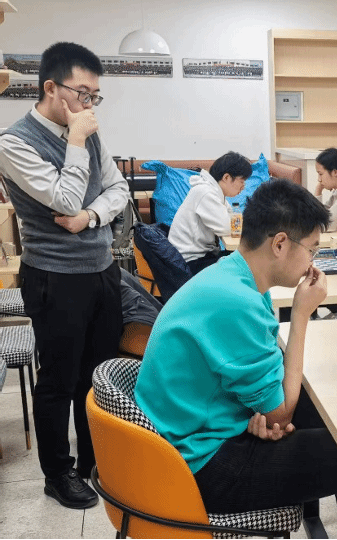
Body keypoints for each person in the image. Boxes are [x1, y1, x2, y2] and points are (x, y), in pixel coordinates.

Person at [134, 179, 337, 539]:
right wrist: (300, 315)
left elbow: (270, 393)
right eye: (312, 249)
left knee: (334, 420)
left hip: (198, 434)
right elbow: (281, 411)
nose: (313, 262)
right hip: (199, 467)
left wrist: (267, 415)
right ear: (280, 244)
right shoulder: (238, 302)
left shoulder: (232, 274)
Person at [0, 42, 130, 509]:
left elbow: (118, 189)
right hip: (54, 277)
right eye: (82, 93)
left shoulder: (89, 132)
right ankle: (57, 474)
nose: (89, 104)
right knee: (58, 380)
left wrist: (90, 218)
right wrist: (76, 141)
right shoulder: (13, 143)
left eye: (95, 96)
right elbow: (65, 198)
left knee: (98, 375)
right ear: (51, 87)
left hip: (101, 270)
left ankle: (94, 461)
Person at [168, 151, 252, 275]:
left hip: (199, 257)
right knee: (247, 263)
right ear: (226, 177)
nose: (243, 186)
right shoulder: (205, 193)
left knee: (245, 259)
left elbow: (233, 218)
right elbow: (227, 227)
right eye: (242, 180)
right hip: (190, 263)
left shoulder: (213, 192)